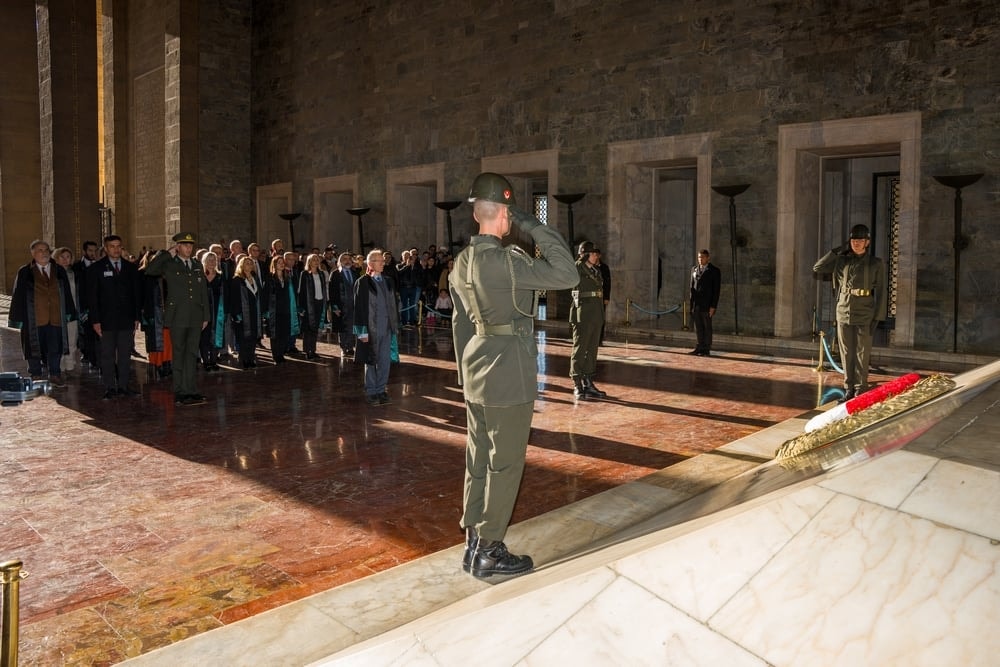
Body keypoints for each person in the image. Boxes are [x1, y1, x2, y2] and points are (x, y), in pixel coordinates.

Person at [449, 172, 578, 579]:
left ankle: (472, 540)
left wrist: (464, 374)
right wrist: (534, 225)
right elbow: (567, 273)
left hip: (475, 370)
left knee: (477, 459)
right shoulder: (508, 262)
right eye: (511, 213)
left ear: (476, 215)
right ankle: (489, 550)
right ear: (505, 213)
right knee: (504, 464)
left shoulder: (462, 261)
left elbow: (459, 323)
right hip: (508, 373)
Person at [813, 224, 886, 400]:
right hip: (844, 310)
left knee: (862, 351)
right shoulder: (842, 261)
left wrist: (878, 316)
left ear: (867, 242)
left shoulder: (876, 263)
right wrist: (836, 251)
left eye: (860, 240)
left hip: (865, 311)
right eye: (854, 240)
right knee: (846, 352)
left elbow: (882, 291)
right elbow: (818, 267)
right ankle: (849, 388)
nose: (857, 243)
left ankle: (861, 388)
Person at [143, 232, 210, 406]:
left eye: (190, 245)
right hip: (177, 317)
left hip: (196, 316)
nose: (188, 248)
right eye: (185, 245)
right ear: (177, 247)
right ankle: (180, 391)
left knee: (192, 354)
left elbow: (203, 291)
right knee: (179, 354)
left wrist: (206, 316)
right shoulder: (169, 264)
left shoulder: (196, 264)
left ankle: (192, 390)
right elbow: (149, 271)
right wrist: (167, 253)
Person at [8, 239, 78, 387]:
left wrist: (69, 313)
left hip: (55, 317)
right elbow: (18, 295)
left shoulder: (58, 270)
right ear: (33, 253)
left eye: (46, 250)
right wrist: (17, 318)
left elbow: (66, 293)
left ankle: (55, 374)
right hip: (33, 318)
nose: (44, 252)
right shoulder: (25, 272)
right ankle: (36, 373)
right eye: (40, 250)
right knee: (33, 347)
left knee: (55, 346)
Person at [87, 235, 143, 398]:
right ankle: (110, 387)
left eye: (119, 246)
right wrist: (95, 320)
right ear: (106, 248)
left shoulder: (130, 268)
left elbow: (136, 295)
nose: (116, 249)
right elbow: (92, 297)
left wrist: (136, 316)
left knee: (125, 354)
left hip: (126, 319)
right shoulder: (96, 269)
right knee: (107, 354)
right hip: (106, 320)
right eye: (112, 246)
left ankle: (124, 386)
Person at [354, 248, 398, 405]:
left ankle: (381, 389)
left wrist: (395, 325)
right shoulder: (363, 282)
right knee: (371, 359)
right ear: (371, 263)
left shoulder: (388, 281)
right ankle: (372, 390)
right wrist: (361, 332)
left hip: (387, 327)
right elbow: (358, 309)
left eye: (383, 261)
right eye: (380, 261)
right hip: (371, 328)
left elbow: (393, 304)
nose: (383, 263)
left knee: (385, 360)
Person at [569, 241, 609, 399]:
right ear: (585, 254)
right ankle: (577, 383)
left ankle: (588, 381)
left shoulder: (596, 270)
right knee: (580, 349)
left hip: (595, 314)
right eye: (593, 253)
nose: (596, 256)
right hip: (582, 314)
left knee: (592, 349)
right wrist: (579, 259)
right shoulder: (577, 267)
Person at [228, 256, 262, 369]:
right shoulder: (237, 280)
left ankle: (251, 358)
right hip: (242, 314)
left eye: (251, 263)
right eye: (247, 263)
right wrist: (236, 314)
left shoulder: (255, 278)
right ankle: (244, 359)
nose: (249, 265)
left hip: (254, 312)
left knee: (252, 337)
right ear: (241, 265)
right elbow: (233, 298)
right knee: (243, 338)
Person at [52, 247, 82, 374]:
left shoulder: (74, 273)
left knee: (72, 337)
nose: (65, 260)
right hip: (57, 312)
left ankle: (70, 364)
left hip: (73, 310)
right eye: (62, 257)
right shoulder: (52, 274)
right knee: (59, 339)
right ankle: (60, 365)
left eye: (68, 257)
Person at [689, 249, 721, 356]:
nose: (700, 259)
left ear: (708, 258)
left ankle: (706, 348)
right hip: (696, 304)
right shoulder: (694, 269)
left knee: (707, 327)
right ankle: (699, 346)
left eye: (702, 257)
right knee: (698, 327)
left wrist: (713, 306)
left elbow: (716, 290)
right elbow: (691, 288)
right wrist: (691, 305)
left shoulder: (714, 271)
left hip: (707, 305)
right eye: (699, 257)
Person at [297, 253, 328, 359]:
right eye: (313, 259)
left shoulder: (321, 274)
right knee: (308, 328)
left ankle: (313, 350)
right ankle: (307, 350)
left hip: (319, 302)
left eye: (317, 259)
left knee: (315, 328)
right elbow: (301, 291)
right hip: (309, 303)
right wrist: (301, 307)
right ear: (309, 262)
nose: (316, 261)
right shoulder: (305, 274)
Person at [200, 250, 226, 372]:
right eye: (209, 260)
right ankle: (206, 362)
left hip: (217, 311)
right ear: (204, 262)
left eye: (213, 260)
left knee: (216, 336)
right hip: (203, 312)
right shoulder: (199, 277)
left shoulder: (221, 276)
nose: (211, 262)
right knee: (204, 338)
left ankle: (213, 361)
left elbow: (226, 295)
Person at [329, 251, 357, 358]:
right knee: (343, 327)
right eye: (344, 259)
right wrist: (334, 307)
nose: (347, 261)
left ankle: (350, 346)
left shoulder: (355, 273)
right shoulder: (336, 274)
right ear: (340, 261)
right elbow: (332, 292)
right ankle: (344, 347)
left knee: (351, 326)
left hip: (353, 304)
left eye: (349, 259)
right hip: (341, 304)